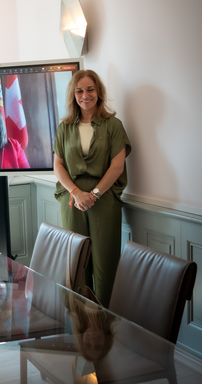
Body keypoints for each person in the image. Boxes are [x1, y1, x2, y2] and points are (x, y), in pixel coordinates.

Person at [53, 70, 131, 308]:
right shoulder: (65, 127)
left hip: (104, 200)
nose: (85, 95)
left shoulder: (113, 125)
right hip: (72, 200)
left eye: (90, 89)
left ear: (99, 92)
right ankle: (78, 319)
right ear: (73, 94)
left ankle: (105, 321)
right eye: (79, 90)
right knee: (76, 262)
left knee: (105, 263)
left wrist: (94, 195)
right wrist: (76, 193)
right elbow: (58, 165)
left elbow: (117, 166)